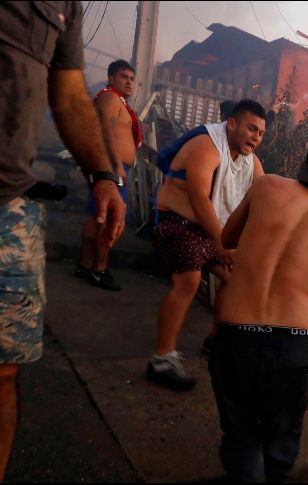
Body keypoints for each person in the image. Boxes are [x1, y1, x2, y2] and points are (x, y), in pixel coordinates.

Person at [0, 1, 126, 480]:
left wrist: (103, 175)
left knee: (4, 370)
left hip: (7, 207)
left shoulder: (64, 5)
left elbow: (69, 96)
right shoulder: (111, 100)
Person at [209, 133, 308, 482]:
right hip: (291, 353)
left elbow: (227, 239)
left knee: (240, 440)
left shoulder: (267, 187)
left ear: (304, 164)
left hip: (235, 338)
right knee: (280, 451)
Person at [148, 99, 266, 391]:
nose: (256, 137)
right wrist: (222, 243)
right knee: (188, 280)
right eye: (252, 128)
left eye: (261, 133)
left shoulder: (251, 162)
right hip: (176, 221)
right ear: (232, 124)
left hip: (210, 230)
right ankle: (161, 359)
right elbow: (199, 197)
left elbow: (266, 198)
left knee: (236, 278)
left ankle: (216, 340)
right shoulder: (207, 145)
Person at [75, 59, 142, 291]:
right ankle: (99, 269)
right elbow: (105, 130)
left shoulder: (117, 101)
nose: (129, 82)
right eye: (124, 77)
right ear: (111, 78)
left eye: (132, 78)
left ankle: (85, 265)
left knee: (98, 217)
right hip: (112, 168)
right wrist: (116, 165)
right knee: (110, 220)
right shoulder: (111, 98)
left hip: (111, 167)